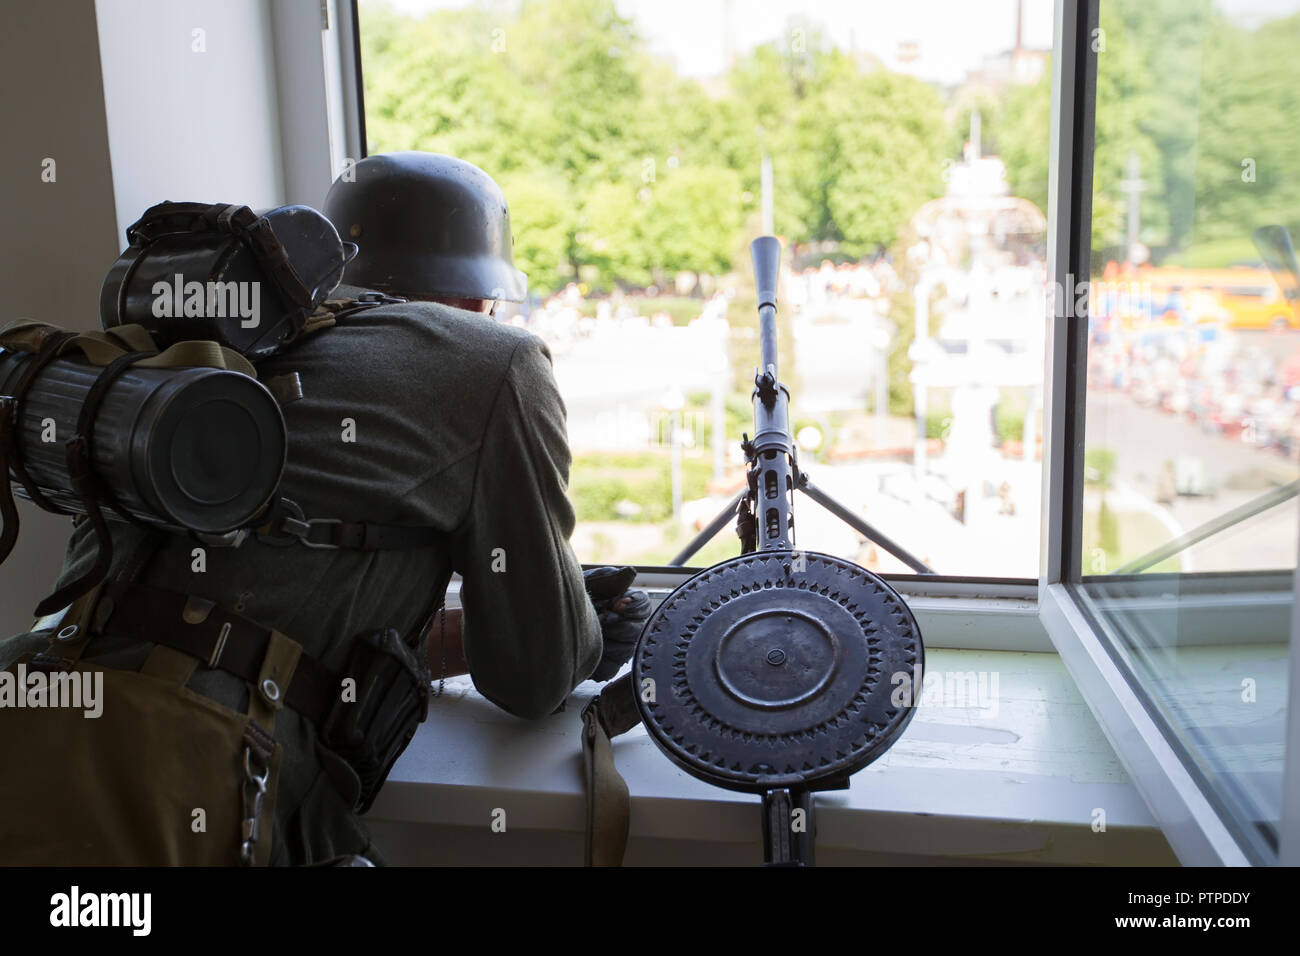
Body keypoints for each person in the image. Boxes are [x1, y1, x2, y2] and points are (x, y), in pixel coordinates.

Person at [0, 151, 648, 865]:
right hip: (181, 775)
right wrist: (583, 629)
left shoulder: (207, 345)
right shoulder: (491, 362)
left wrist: (459, 637)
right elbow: (534, 676)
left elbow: (261, 605)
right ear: (476, 299)